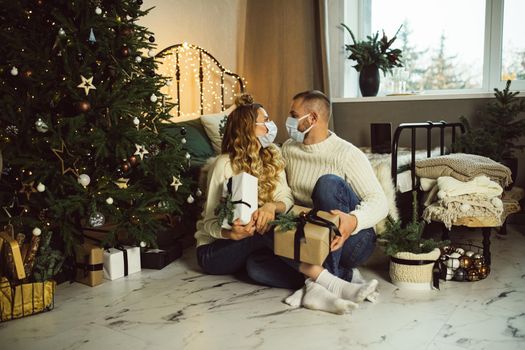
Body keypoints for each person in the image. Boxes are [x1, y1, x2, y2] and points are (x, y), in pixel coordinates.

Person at [280, 89, 389, 306]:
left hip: (351, 239)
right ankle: (340, 278)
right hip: (311, 236)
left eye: (293, 115)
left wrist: (354, 220)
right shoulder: (288, 149)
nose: (288, 121)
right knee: (256, 266)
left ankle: (317, 286)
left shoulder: (346, 154)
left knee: (327, 184)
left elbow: (379, 201)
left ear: (312, 118)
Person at [195, 94, 300, 288]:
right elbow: (208, 223)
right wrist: (230, 234)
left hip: (250, 245)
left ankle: (312, 283)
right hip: (214, 251)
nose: (271, 125)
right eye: (265, 121)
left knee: (256, 269)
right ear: (248, 129)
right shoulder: (224, 164)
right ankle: (326, 277)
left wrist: (271, 207)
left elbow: (286, 197)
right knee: (266, 231)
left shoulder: (272, 155)